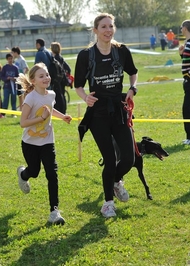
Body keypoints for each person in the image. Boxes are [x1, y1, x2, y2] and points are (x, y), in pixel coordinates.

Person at [74, 13, 138, 218]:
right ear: (95, 30)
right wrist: (86, 98)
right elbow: (78, 85)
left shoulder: (122, 51)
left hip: (119, 111)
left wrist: (132, 88)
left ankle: (116, 182)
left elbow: (133, 72)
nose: (108, 30)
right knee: (110, 160)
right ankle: (108, 203)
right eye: (103, 27)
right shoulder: (86, 55)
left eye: (111, 26)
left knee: (129, 158)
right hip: (98, 115)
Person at [16, 62, 72, 225]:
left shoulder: (52, 94)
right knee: (34, 171)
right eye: (41, 76)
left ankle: (54, 211)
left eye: (47, 75)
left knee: (52, 174)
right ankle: (22, 175)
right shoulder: (30, 97)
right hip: (30, 143)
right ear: (33, 81)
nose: (46, 78)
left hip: (48, 142)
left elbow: (50, 109)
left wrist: (62, 116)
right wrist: (41, 119)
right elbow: (23, 122)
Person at [50, 42, 71, 114]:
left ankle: (60, 111)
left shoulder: (55, 59)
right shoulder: (61, 58)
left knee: (58, 96)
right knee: (62, 94)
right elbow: (68, 68)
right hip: (62, 80)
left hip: (57, 81)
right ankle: (63, 110)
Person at [1, 53, 19, 118]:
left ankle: (13, 113)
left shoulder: (15, 68)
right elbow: (2, 77)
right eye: (9, 59)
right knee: (6, 99)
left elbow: (18, 77)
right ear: (7, 59)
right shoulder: (5, 67)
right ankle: (3, 113)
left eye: (11, 58)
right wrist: (7, 78)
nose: (10, 60)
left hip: (14, 87)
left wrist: (14, 79)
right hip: (6, 86)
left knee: (13, 99)